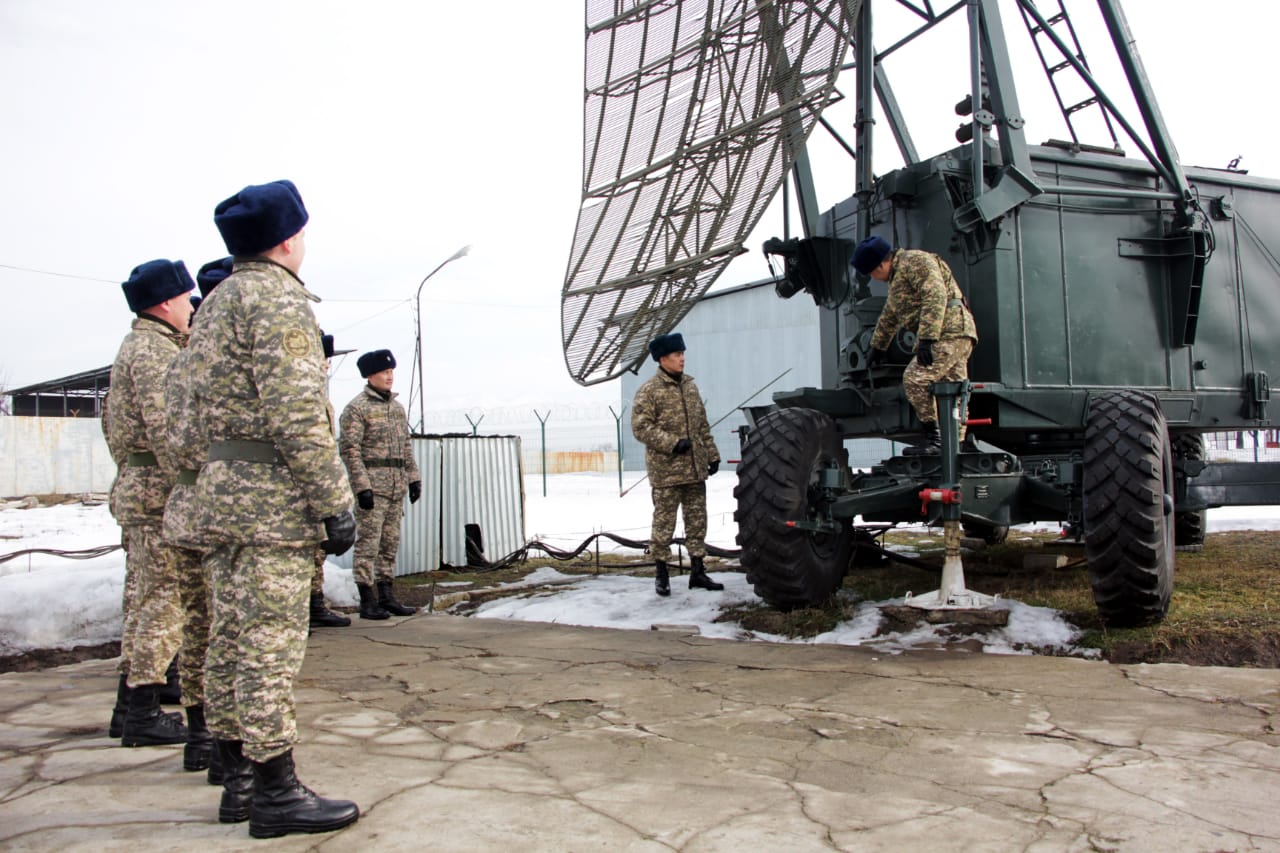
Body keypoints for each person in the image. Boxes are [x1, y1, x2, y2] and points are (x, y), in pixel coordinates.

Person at [185, 179, 359, 838]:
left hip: (222, 496)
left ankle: (237, 778)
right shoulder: (278, 300)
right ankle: (276, 791)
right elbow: (297, 415)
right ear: (287, 240)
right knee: (268, 647)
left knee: (230, 637)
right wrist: (334, 500)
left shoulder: (216, 304)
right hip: (270, 505)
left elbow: (188, 414)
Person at [105, 259, 195, 750]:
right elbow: (168, 429)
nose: (189, 307)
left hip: (141, 486)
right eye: (183, 298)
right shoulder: (156, 351)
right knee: (165, 600)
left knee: (145, 600)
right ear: (163, 303)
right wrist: (191, 482)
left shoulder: (135, 345)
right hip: (161, 492)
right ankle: (142, 710)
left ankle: (127, 707)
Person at [160, 256, 233, 780]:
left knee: (197, 626)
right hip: (223, 508)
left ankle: (200, 738)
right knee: (229, 631)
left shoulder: (182, 358)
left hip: (185, 505)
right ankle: (231, 753)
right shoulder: (224, 355)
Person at [853, 236, 978, 454]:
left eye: (872, 273)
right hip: (954, 332)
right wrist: (878, 346)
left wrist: (927, 339)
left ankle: (936, 439)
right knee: (953, 389)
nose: (874, 278)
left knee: (914, 378)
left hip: (949, 332)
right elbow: (890, 315)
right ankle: (954, 446)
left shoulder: (915, 261)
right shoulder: (898, 278)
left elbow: (935, 295)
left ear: (881, 264)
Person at [631, 332, 722, 596]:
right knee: (663, 525)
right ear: (663, 359)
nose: (682, 359)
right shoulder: (649, 390)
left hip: (694, 470)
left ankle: (698, 572)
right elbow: (641, 427)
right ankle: (661, 574)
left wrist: (712, 454)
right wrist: (672, 443)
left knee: (697, 522)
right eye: (676, 355)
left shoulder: (690, 387)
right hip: (667, 472)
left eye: (682, 354)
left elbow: (702, 425)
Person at [339, 349, 421, 620]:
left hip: (396, 487)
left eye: (391, 371)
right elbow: (350, 451)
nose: (390, 376)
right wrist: (362, 487)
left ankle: (387, 596)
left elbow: (405, 447)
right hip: (373, 490)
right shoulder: (357, 408)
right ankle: (367, 599)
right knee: (368, 545)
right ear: (370, 375)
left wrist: (413, 478)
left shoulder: (396, 408)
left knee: (389, 544)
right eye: (384, 372)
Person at [310, 331, 351, 629]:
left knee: (317, 549)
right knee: (308, 549)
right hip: (308, 484)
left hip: (318, 484)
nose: (327, 364)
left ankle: (314, 604)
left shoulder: (318, 393)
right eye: (323, 357)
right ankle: (307, 607)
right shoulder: (302, 393)